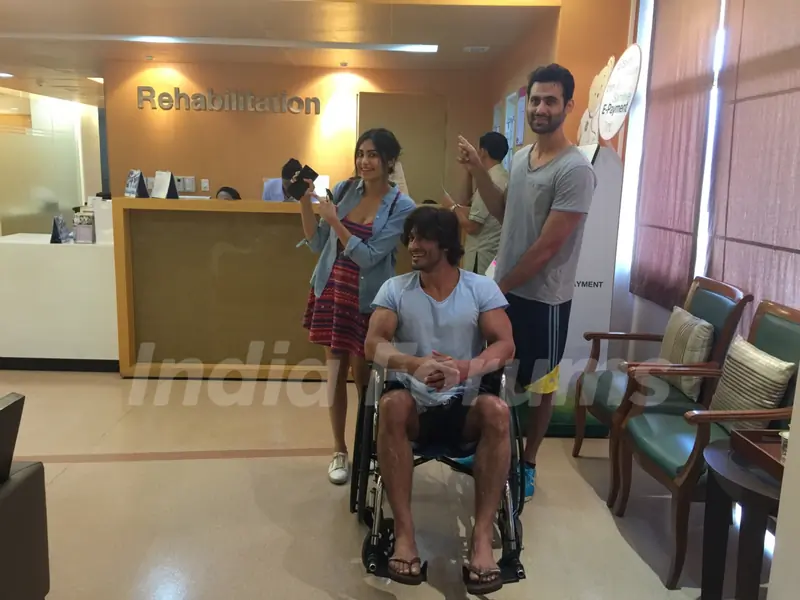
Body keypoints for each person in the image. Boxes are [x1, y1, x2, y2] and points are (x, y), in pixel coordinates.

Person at [457, 64, 597, 499]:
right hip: (507, 289)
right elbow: (504, 213)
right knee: (494, 372)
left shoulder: (575, 170)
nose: (540, 107)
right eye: (535, 99)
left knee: (540, 384)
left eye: (550, 100)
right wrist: (479, 170)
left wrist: (499, 285)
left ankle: (529, 463)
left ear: (568, 106)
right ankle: (485, 448)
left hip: (545, 299)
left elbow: (547, 247)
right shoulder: (520, 159)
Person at [365, 206, 515, 594]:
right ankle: (404, 535)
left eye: (422, 238)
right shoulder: (395, 289)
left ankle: (482, 541)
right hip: (414, 405)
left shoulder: (480, 288)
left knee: (498, 411)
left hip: (464, 404)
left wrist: (466, 368)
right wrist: (412, 364)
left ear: (446, 244)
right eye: (410, 237)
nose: (412, 246)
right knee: (392, 406)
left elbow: (505, 344)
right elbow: (373, 345)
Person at [299, 128, 415, 485]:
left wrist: (335, 220)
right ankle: (339, 450)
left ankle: (368, 445)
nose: (364, 161)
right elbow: (317, 242)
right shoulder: (347, 191)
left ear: (389, 160)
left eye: (373, 155)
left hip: (369, 302)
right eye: (360, 153)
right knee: (335, 375)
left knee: (365, 379)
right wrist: (305, 202)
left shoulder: (401, 206)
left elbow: (369, 258)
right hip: (332, 292)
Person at [441, 131, 509, 274]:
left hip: (483, 257)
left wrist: (451, 207)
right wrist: (469, 170)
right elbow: (466, 203)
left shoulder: (492, 182)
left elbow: (472, 227)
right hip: (493, 255)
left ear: (482, 152)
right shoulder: (502, 176)